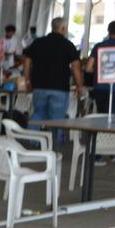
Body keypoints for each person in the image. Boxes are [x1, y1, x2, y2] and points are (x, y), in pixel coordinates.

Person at [24, 17, 84, 148]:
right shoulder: (68, 45)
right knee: (57, 119)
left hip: (39, 87)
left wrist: (27, 80)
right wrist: (79, 86)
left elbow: (27, 62)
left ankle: (32, 142)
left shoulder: (38, 42)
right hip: (59, 88)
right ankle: (54, 147)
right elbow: (76, 67)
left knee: (38, 114)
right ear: (63, 28)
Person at [86, 20, 115, 114]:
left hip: (99, 87)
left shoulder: (98, 46)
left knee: (101, 115)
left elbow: (88, 68)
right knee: (111, 117)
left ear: (108, 31)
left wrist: (100, 71)